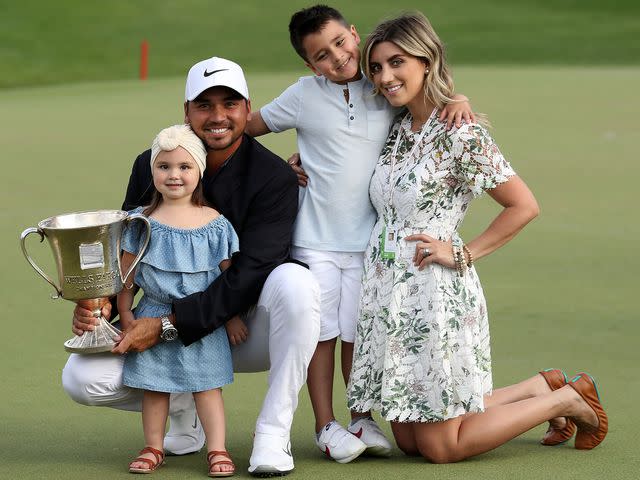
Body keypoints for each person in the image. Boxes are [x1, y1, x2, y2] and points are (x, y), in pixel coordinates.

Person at [346, 12, 608, 462]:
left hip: (434, 290)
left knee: (440, 447)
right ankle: (539, 386)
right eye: (376, 67)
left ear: (426, 61)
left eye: (396, 62)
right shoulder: (395, 130)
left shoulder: (460, 133)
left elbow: (523, 205)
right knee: (410, 440)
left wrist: (464, 252)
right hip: (389, 288)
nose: (385, 77)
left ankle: (565, 401)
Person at [61, 57, 321, 477]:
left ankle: (272, 432)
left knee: (297, 283)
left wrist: (167, 324)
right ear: (186, 111)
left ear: (246, 108)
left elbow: (249, 273)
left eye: (230, 103)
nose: (218, 116)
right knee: (81, 379)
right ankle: (182, 405)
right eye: (204, 105)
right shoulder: (152, 162)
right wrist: (101, 305)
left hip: (245, 327)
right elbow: (129, 246)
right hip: (159, 317)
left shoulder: (273, 176)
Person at [245, 4, 474, 463]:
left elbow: (423, 100)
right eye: (321, 56)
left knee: (359, 331)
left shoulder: (381, 86)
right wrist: (282, 169)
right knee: (322, 333)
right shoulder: (302, 95)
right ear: (309, 65)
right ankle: (325, 424)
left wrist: (457, 99)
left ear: (354, 34)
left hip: (371, 242)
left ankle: (361, 417)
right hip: (314, 239)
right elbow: (246, 129)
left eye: (340, 43)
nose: (336, 57)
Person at [119, 124, 238, 476]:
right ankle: (153, 445)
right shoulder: (140, 222)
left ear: (199, 171)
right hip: (151, 312)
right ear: (152, 170)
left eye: (184, 167)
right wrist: (125, 312)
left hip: (202, 319)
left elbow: (230, 280)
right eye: (164, 166)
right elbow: (126, 277)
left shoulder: (214, 223)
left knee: (207, 387)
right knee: (155, 388)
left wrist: (230, 316)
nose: (174, 175)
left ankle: (217, 448)